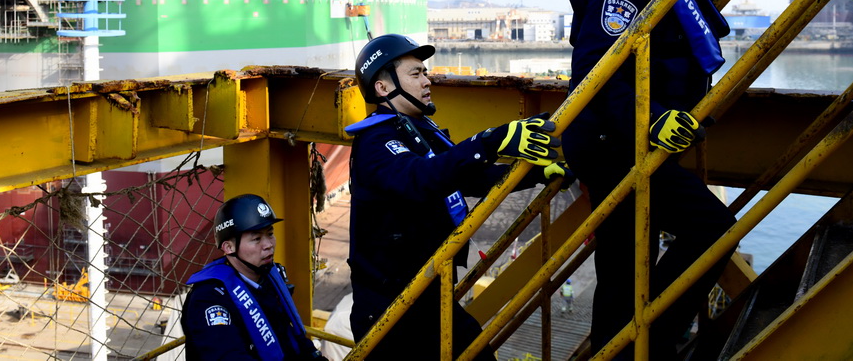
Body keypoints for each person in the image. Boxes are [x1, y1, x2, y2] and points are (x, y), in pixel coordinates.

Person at [562, 0, 811, 359]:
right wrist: (649, 123)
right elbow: (596, 72)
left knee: (623, 270)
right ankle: (652, 338)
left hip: (629, 140)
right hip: (615, 144)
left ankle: (629, 345)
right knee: (708, 230)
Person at [346, 33, 568, 360]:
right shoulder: (375, 141)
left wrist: (536, 174)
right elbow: (419, 178)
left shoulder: (419, 130)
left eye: (425, 72)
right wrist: (491, 141)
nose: (427, 79)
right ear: (383, 87)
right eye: (416, 73)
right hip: (390, 311)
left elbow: (468, 176)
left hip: (427, 296)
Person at [181, 194, 326, 360]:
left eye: (270, 234)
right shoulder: (210, 298)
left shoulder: (268, 278)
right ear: (228, 247)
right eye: (257, 239)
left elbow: (290, 336)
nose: (268, 245)